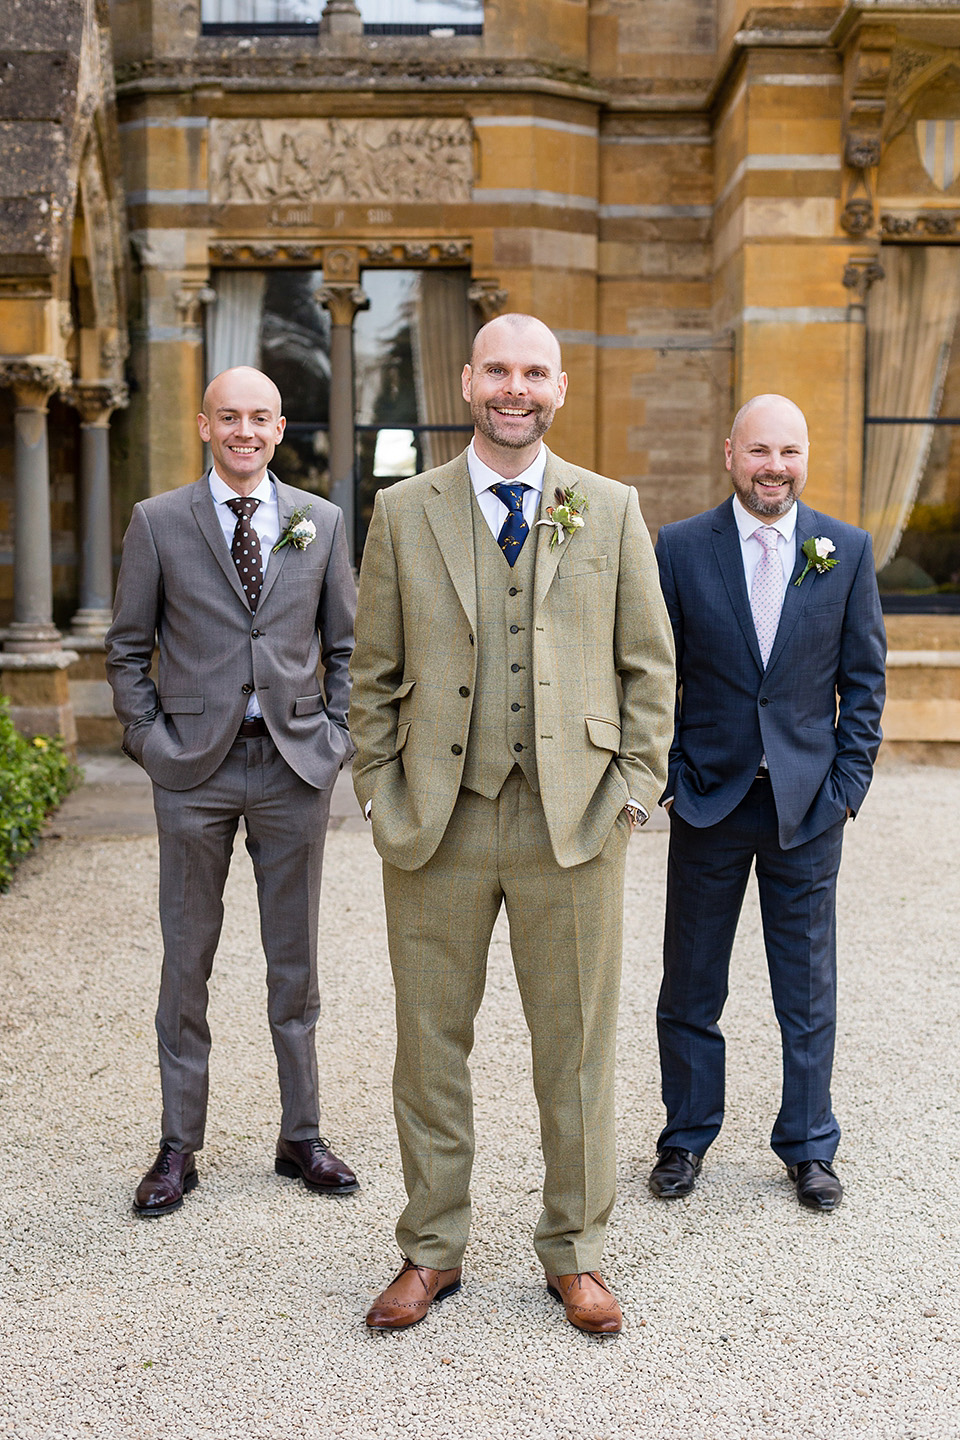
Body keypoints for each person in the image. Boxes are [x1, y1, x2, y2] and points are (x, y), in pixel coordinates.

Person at [349, 313, 675, 1334]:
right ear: (467, 379)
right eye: (499, 368)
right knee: (428, 1046)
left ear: (560, 387)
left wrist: (632, 791)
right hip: (436, 823)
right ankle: (431, 1250)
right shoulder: (405, 512)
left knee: (573, 1049)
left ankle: (574, 1252)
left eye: (534, 371)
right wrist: (376, 787)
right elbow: (372, 675)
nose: (515, 387)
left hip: (574, 823)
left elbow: (650, 668)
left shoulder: (610, 508)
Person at [106, 366, 359, 1216]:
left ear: (281, 428)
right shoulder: (158, 523)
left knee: (295, 964)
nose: (245, 430)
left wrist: (337, 739)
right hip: (194, 771)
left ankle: (302, 1135)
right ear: (205, 426)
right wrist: (151, 742)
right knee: (187, 961)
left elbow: (349, 648)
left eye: (260, 417)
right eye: (229, 417)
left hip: (294, 768)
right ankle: (179, 1147)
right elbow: (127, 648)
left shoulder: (319, 523)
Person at [649, 393, 886, 1212]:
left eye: (788, 452)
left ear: (805, 457)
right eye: (759, 452)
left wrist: (846, 790)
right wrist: (672, 774)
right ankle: (684, 1139)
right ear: (729, 454)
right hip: (709, 801)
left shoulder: (844, 551)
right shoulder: (679, 548)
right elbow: (651, 672)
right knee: (689, 988)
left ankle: (811, 1145)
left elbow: (864, 681)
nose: (774, 467)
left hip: (806, 809)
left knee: (807, 990)